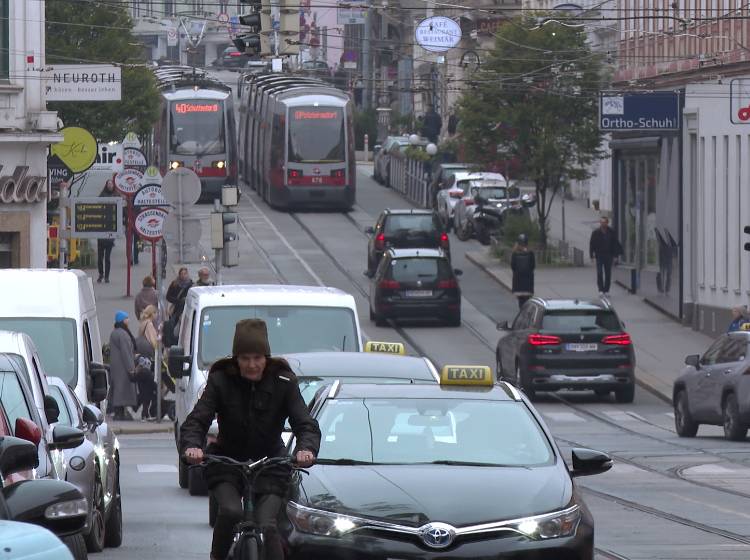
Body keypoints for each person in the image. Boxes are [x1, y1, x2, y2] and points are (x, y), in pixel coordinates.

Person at [181, 319, 321, 560]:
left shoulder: (284, 383)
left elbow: (305, 424)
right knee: (230, 511)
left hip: (271, 464)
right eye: (245, 358)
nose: (252, 365)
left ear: (266, 358)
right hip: (227, 463)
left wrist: (305, 449)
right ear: (236, 359)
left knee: (268, 524)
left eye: (257, 358)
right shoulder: (220, 380)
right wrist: (192, 446)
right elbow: (198, 420)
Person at [108, 311, 138, 421]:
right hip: (123, 367)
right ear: (123, 320)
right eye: (127, 318)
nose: (128, 320)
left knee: (118, 389)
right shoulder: (123, 334)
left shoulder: (115, 332)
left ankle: (119, 412)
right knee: (122, 390)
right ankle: (119, 414)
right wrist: (131, 368)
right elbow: (126, 352)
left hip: (116, 366)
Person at [134, 305, 159, 421]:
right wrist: (158, 346)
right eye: (155, 313)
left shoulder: (142, 323)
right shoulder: (149, 324)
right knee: (150, 385)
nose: (157, 315)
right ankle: (145, 411)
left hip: (141, 358)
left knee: (144, 386)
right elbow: (153, 341)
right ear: (152, 314)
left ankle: (143, 410)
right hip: (148, 358)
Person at [589, 216, 623, 296]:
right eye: (601, 222)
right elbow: (592, 244)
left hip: (608, 255)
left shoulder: (611, 232)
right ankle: (601, 289)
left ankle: (606, 290)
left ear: (607, 223)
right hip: (599, 255)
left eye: (604, 222)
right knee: (600, 272)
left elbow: (615, 244)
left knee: (608, 273)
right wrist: (591, 256)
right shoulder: (596, 233)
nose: (603, 224)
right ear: (600, 223)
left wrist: (615, 256)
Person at [96, 179, 117, 283]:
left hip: (110, 230)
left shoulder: (115, 197)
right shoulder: (102, 196)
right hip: (101, 230)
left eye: (111, 184)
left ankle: (107, 276)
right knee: (100, 257)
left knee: (107, 258)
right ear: (106, 185)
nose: (110, 185)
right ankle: (101, 274)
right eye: (108, 184)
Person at [511, 234, 535, 309]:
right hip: (528, 282)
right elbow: (533, 266)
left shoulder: (514, 254)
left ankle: (522, 314)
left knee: (521, 302)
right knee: (527, 301)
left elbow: (513, 266)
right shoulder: (530, 253)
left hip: (518, 282)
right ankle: (526, 315)